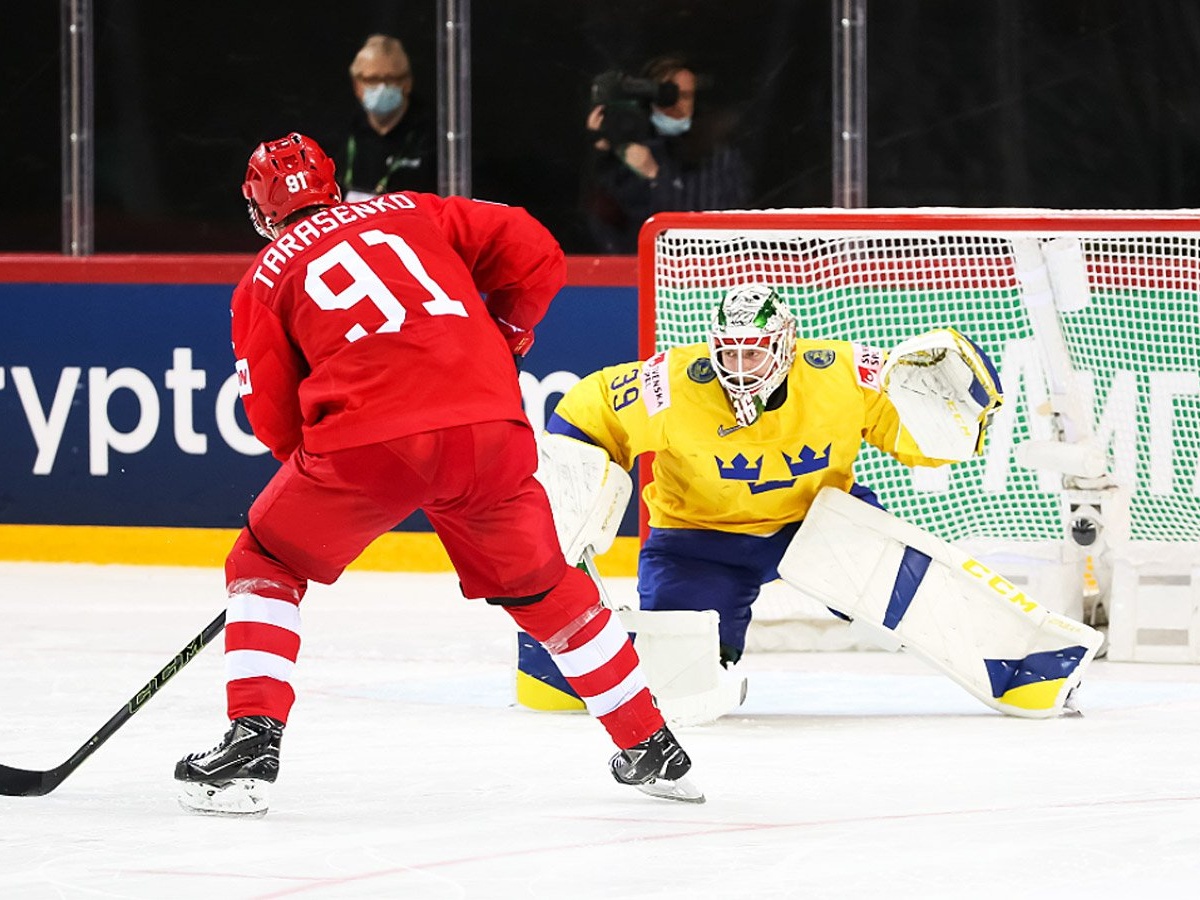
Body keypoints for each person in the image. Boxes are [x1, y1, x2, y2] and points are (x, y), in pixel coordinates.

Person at [173, 132, 702, 816]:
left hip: (369, 445)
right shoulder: (414, 210)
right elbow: (537, 251)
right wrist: (507, 334)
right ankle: (652, 745)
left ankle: (252, 739)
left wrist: (329, 494)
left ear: (259, 210)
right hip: (491, 429)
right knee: (546, 589)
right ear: (333, 183)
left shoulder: (264, 280)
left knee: (264, 559)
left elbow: (276, 427)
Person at [545, 283, 1002, 667]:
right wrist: (575, 474)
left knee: (911, 609)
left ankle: (1001, 655)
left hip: (821, 527)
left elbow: (920, 435)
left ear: (785, 345)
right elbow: (592, 409)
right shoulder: (674, 382)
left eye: (755, 354)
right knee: (682, 663)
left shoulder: (843, 373)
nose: (739, 368)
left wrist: (958, 420)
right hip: (699, 543)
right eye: (730, 353)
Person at [581, 55, 752, 253]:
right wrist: (598, 150)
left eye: (686, 96)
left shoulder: (719, 158)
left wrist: (656, 177)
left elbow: (711, 233)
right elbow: (600, 228)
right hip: (630, 271)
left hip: (700, 273)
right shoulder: (626, 152)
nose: (677, 105)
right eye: (666, 95)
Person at [334, 34, 436, 202]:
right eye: (372, 79)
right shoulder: (343, 132)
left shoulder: (433, 137)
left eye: (390, 79)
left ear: (407, 83)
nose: (382, 87)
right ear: (357, 85)